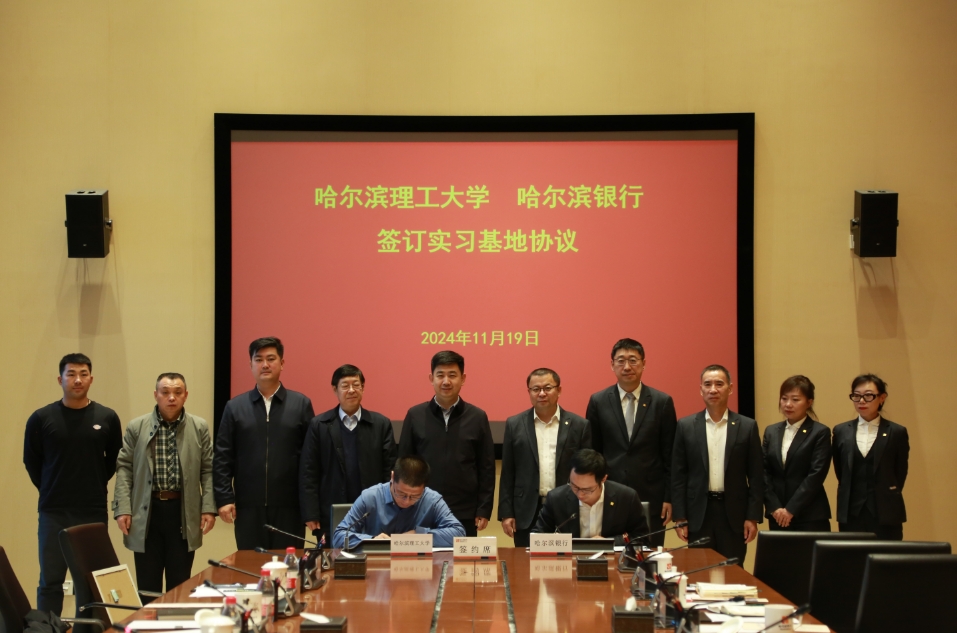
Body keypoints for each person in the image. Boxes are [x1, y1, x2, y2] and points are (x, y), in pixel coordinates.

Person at [23, 353, 123, 615]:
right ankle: (48, 628)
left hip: (92, 510)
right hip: (53, 510)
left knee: (90, 583)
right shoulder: (41, 418)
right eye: (71, 374)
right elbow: (32, 461)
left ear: (91, 379)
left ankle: (87, 630)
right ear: (60, 379)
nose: (77, 380)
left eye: (83, 374)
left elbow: (113, 460)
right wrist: (50, 486)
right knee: (50, 581)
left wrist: (93, 482)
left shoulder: (107, 417)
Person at [112, 373, 216, 597]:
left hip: (182, 512)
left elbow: (208, 469)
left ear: (185, 395)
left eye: (177, 392)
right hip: (146, 512)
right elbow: (124, 468)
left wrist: (208, 507)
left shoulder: (199, 427)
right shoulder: (137, 427)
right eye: (165, 392)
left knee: (179, 585)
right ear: (156, 395)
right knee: (147, 587)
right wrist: (123, 508)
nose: (171, 397)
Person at [214, 337, 315, 550]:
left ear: (282, 363)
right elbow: (223, 457)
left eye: (271, 359)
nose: (265, 365)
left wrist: (310, 506)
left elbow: (311, 460)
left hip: (290, 508)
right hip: (248, 508)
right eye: (259, 360)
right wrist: (224, 498)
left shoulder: (301, 404)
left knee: (289, 565)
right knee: (250, 566)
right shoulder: (235, 407)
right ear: (250, 364)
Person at [585, 338, 677, 546]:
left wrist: (669, 497)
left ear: (644, 364)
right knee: (611, 554)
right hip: (609, 494)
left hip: (652, 497)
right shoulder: (598, 401)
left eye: (633, 360)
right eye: (621, 361)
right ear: (612, 365)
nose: (627, 367)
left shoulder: (662, 402)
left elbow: (670, 454)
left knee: (649, 556)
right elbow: (593, 452)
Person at [397, 350, 494, 537]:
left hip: (465, 511)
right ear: (431, 378)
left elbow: (486, 468)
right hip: (421, 508)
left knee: (462, 556)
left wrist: (483, 508)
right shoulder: (415, 415)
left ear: (463, 378)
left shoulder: (477, 417)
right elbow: (404, 463)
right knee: (423, 556)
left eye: (452, 375)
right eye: (440, 375)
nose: (446, 381)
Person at [671, 365, 763, 562]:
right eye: (708, 384)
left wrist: (753, 516)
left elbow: (756, 475)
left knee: (732, 572)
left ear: (730, 388)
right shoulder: (686, 426)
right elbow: (678, 475)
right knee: (699, 571)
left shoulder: (747, 426)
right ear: (701, 390)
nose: (713, 389)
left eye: (719, 384)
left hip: (734, 514)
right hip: (698, 514)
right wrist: (680, 516)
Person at [300, 364, 396, 543]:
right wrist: (311, 513)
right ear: (335, 389)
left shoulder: (380, 424)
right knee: (333, 557)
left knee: (373, 556)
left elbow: (389, 471)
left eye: (356, 385)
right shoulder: (319, 425)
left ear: (363, 388)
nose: (351, 390)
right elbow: (309, 472)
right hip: (330, 510)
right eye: (345, 386)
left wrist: (389, 510)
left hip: (373, 512)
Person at [498, 368, 592, 547]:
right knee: (526, 561)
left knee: (567, 560)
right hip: (527, 510)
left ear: (559, 390)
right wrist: (506, 513)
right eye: (536, 389)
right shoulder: (514, 424)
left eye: (547, 388)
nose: (541, 393)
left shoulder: (580, 425)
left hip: (568, 508)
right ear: (529, 392)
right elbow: (508, 472)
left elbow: (587, 471)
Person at [833, 374, 908, 540]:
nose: (861, 401)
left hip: (886, 511)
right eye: (856, 396)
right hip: (852, 511)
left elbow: (899, 472)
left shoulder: (896, 432)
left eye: (868, 396)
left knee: (886, 554)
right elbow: (841, 471)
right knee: (852, 554)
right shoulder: (841, 431)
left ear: (882, 398)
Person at [332, 455, 465, 548]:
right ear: (392, 477)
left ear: (424, 487)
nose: (406, 501)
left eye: (415, 496)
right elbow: (338, 536)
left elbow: (458, 533)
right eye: (401, 494)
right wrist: (372, 540)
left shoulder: (432, 500)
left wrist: (418, 534)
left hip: (417, 570)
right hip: (377, 567)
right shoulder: (370, 497)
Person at [533, 449, 648, 544]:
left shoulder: (626, 497)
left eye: (587, 490)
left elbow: (642, 537)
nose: (580, 494)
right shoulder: (556, 498)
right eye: (574, 486)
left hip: (612, 560)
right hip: (570, 561)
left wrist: (608, 542)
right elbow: (537, 537)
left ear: (603, 479)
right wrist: (557, 541)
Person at [761, 375, 832, 531]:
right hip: (777, 515)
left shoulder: (820, 432)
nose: (788, 404)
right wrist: (775, 507)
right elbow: (763, 471)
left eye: (795, 399)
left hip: (810, 515)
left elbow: (816, 475)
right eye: (784, 398)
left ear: (809, 402)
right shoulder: (771, 431)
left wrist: (791, 509)